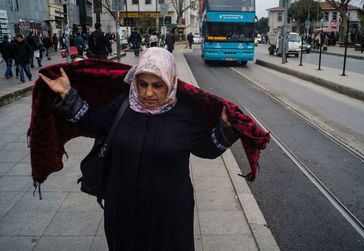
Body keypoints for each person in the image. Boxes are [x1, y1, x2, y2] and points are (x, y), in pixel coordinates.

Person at [38, 47, 241, 250]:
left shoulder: (185, 115)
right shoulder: (122, 107)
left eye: (157, 85)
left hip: (169, 216)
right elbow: (92, 123)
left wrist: (226, 129)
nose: (148, 93)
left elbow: (207, 149)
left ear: (171, 82)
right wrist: (67, 94)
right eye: (142, 84)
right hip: (122, 211)